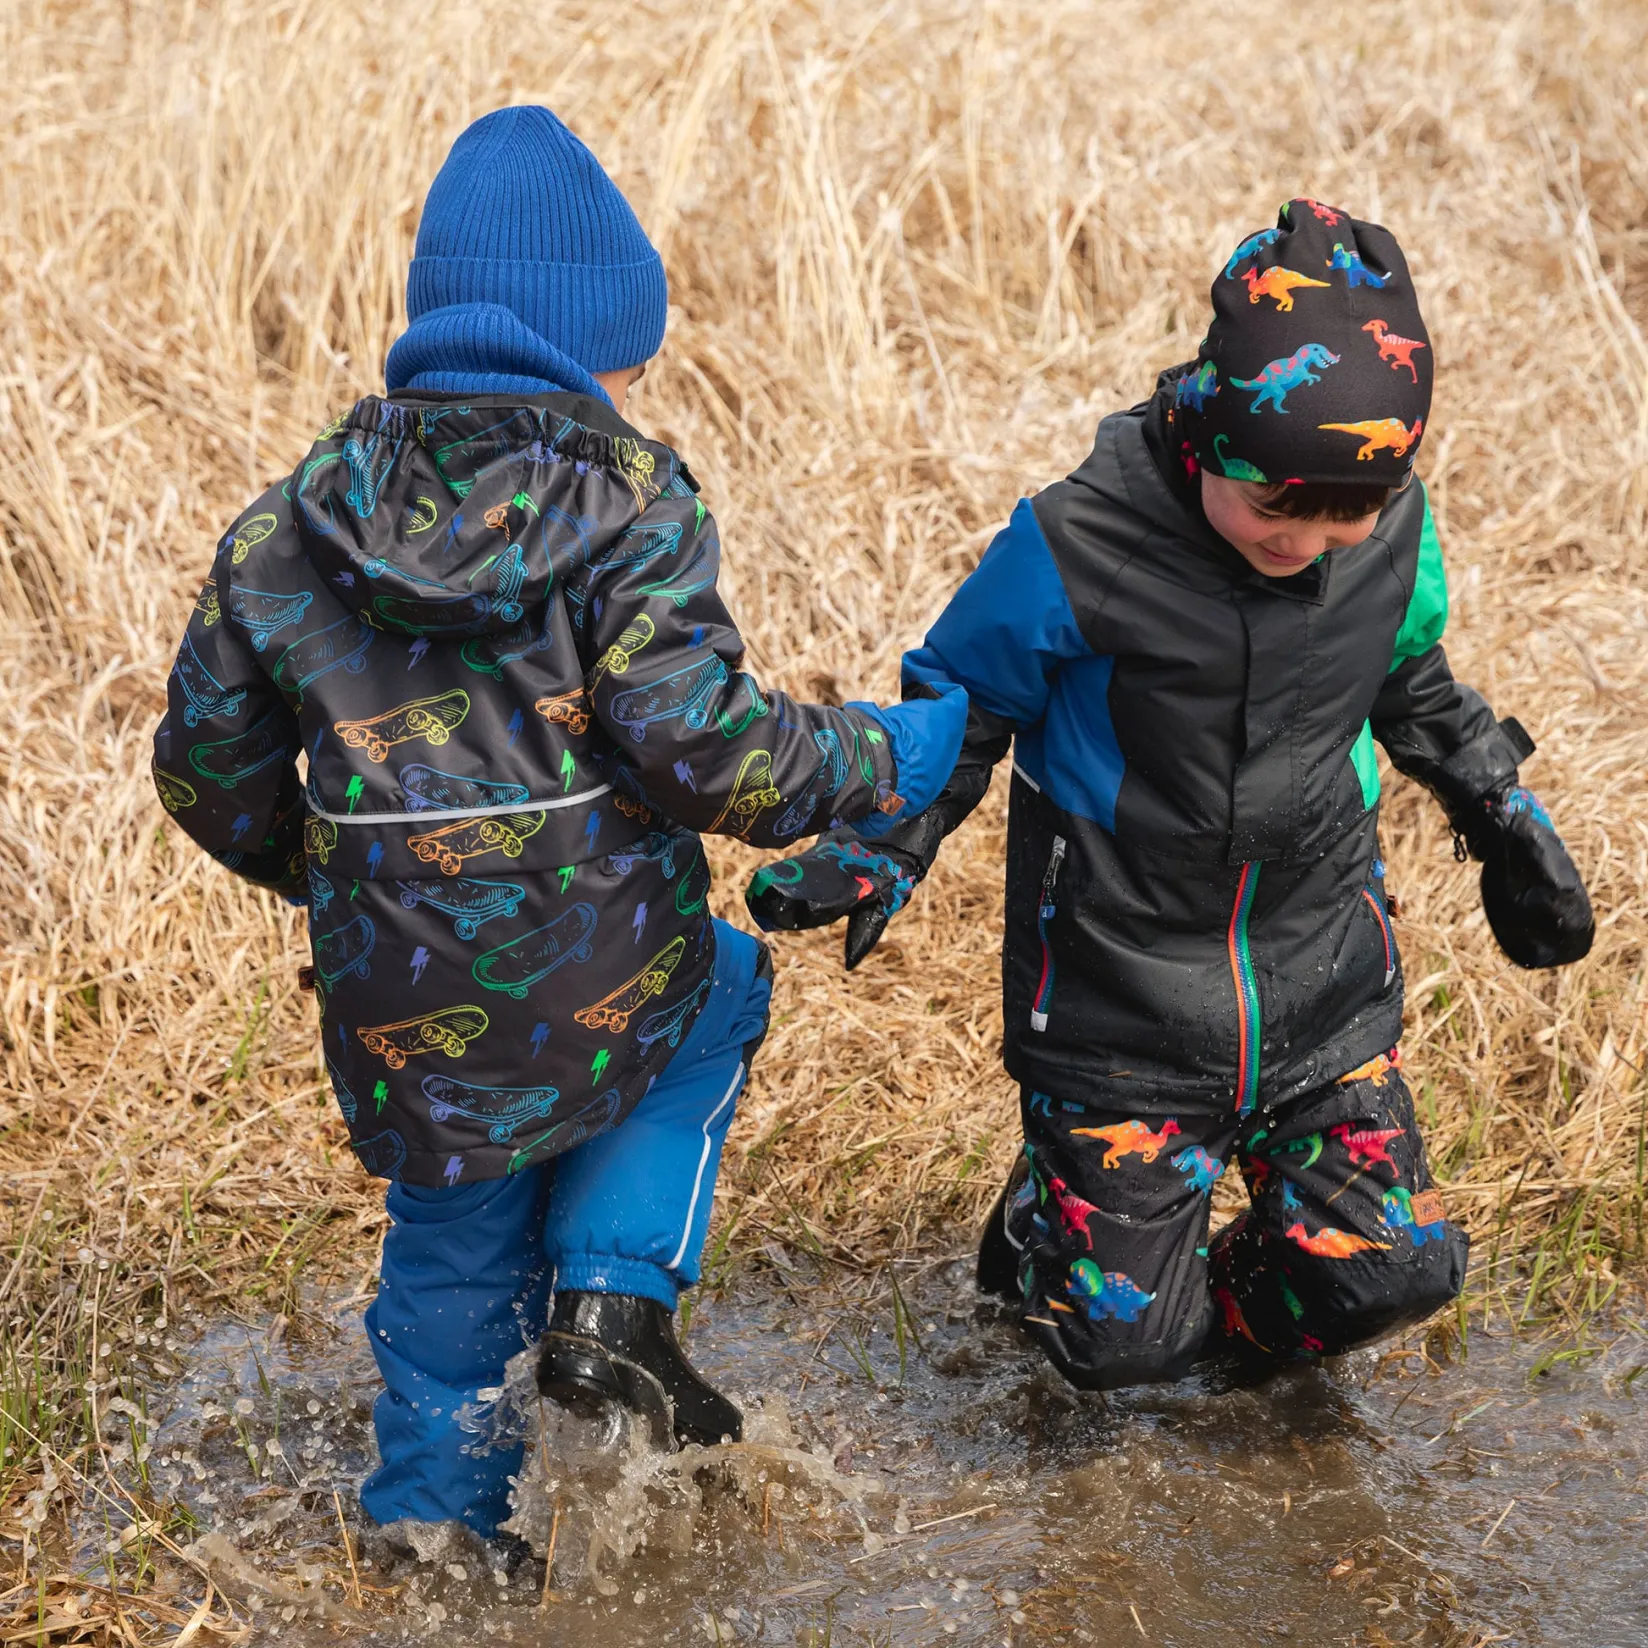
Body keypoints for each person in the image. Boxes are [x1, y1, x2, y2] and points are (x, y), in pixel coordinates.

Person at [151, 105, 966, 1537]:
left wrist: (340, 873)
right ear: (591, 345)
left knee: (451, 1245)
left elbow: (204, 777)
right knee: (721, 989)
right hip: (614, 965)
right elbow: (709, 756)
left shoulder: (282, 527)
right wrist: (883, 756)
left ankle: (432, 1530)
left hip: (400, 991)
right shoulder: (628, 504)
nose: (639, 390)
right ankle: (612, 1300)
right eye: (632, 362)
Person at [748, 199, 1593, 1390]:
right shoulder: (1081, 539)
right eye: (1273, 506)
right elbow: (963, 700)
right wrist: (886, 840)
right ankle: (1065, 1223)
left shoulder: (1391, 535)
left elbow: (1410, 678)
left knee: (1387, 1272)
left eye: (1341, 514)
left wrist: (1499, 808)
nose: (1303, 539)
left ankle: (1198, 1317)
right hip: (1118, 999)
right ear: (1206, 439)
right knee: (1120, 1352)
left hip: (1319, 982)